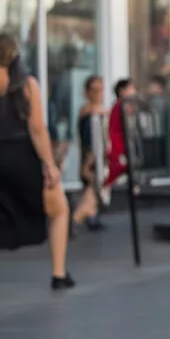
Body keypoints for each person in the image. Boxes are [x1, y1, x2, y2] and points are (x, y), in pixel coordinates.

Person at [0, 34, 75, 289]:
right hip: (22, 157)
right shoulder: (27, 85)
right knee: (59, 209)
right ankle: (59, 273)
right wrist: (50, 165)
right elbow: (38, 129)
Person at [72, 75, 106, 231]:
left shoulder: (97, 111)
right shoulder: (89, 114)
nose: (98, 93)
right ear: (87, 92)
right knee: (90, 193)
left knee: (92, 193)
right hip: (91, 161)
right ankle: (72, 221)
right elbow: (90, 141)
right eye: (94, 90)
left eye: (100, 89)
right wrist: (87, 163)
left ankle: (91, 218)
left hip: (97, 160)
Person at [105, 78, 137, 189]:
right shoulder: (121, 106)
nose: (134, 91)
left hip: (121, 142)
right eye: (131, 88)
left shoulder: (122, 106)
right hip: (118, 144)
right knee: (118, 168)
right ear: (122, 91)